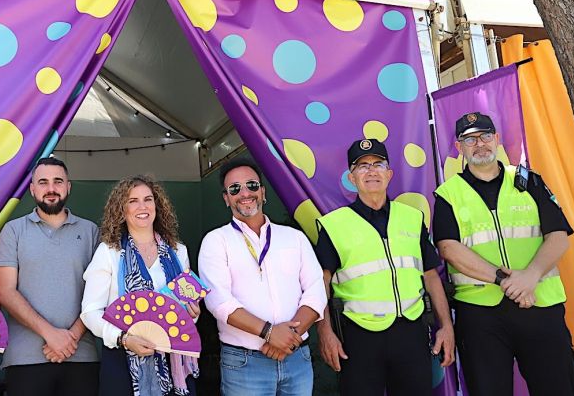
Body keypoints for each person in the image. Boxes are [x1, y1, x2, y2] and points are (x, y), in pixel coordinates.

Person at [433, 112, 574, 396]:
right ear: (459, 147)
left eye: (486, 136)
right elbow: (449, 248)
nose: (480, 144)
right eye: (470, 139)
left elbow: (559, 236)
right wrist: (506, 282)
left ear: (497, 139)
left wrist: (530, 276)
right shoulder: (447, 194)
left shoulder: (529, 181)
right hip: (481, 316)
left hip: (541, 306)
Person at [314, 139, 454, 396]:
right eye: (362, 166)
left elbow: (431, 276)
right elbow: (320, 285)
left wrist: (446, 326)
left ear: (389, 174)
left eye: (378, 164)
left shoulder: (412, 218)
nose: (371, 171)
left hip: (411, 333)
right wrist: (325, 332)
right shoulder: (334, 225)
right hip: (360, 337)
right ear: (351, 178)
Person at [198, 157, 326, 396]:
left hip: (296, 357)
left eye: (252, 185)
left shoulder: (294, 237)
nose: (245, 193)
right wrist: (269, 332)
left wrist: (288, 338)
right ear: (226, 198)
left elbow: (316, 291)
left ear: (263, 192)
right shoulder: (216, 241)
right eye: (235, 189)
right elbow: (218, 302)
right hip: (245, 363)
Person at [81, 174, 200, 396]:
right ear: (121, 210)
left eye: (148, 199)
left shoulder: (178, 252)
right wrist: (124, 338)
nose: (142, 206)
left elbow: (186, 312)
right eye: (132, 201)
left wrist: (192, 314)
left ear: (157, 205)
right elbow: (89, 312)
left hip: (174, 361)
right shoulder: (109, 252)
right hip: (123, 360)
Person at [0, 157, 101, 396]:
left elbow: (99, 294)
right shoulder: (13, 230)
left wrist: (70, 338)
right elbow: (5, 292)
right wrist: (51, 335)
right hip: (25, 359)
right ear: (32, 189)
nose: (51, 189)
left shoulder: (91, 232)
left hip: (81, 356)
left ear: (68, 186)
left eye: (58, 181)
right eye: (43, 182)